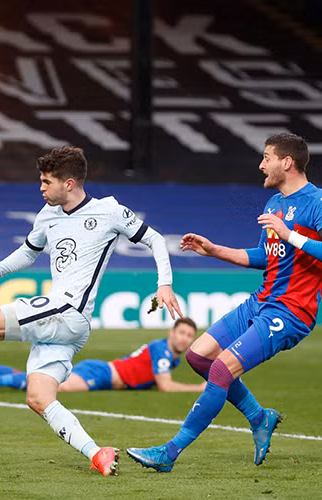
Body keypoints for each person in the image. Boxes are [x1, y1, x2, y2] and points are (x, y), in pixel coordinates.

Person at [0, 145, 183, 477]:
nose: (41, 188)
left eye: (47, 181)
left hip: (67, 311)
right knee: (38, 397)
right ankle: (98, 453)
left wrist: (164, 283)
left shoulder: (109, 211)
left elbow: (156, 239)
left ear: (70, 183)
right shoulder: (48, 215)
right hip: (65, 325)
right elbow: (28, 252)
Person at [127, 133, 322, 472]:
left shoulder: (317, 202)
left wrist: (289, 233)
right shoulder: (274, 205)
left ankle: (169, 454)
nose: (261, 165)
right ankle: (259, 417)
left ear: (287, 162)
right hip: (261, 301)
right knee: (198, 356)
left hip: (291, 311)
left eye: (267, 157)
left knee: (221, 367)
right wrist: (214, 249)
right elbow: (265, 256)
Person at [0, 318, 206, 394]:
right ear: (172, 333)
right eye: (181, 333)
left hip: (104, 373)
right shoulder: (163, 352)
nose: (184, 339)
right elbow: (165, 386)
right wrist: (199, 387)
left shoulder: (166, 352)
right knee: (55, 388)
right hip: (101, 374)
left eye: (188, 335)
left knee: (49, 384)